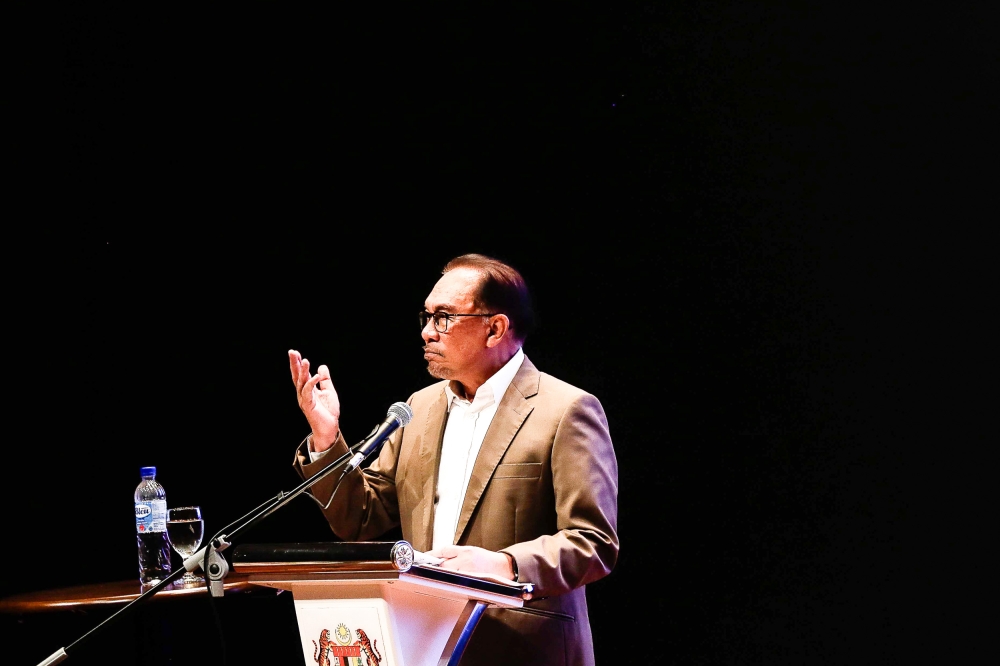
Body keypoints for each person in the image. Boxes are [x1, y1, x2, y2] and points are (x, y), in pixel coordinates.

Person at [288, 253, 618, 665]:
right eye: (425, 317)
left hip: (520, 647)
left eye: (443, 317)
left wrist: (506, 563)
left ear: (495, 328)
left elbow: (593, 543)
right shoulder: (418, 409)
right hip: (421, 642)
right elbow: (361, 519)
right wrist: (326, 436)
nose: (428, 332)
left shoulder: (565, 410)